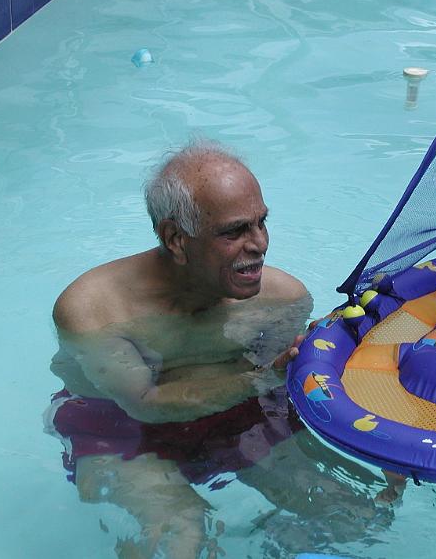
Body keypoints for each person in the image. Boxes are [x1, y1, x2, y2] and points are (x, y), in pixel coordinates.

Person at [47, 138, 316, 557]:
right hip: (120, 430)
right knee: (182, 535)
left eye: (262, 222)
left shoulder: (282, 298)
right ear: (175, 238)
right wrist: (262, 378)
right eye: (235, 231)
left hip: (233, 413)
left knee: (338, 507)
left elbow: (281, 384)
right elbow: (144, 403)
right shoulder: (94, 308)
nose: (260, 243)